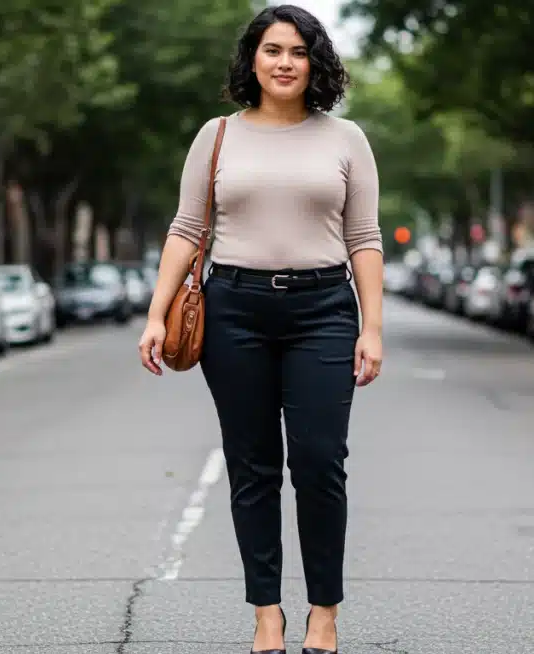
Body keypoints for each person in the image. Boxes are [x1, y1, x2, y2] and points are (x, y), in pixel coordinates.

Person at [137, 5, 384, 653]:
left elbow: (364, 239)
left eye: (298, 52)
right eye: (272, 50)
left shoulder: (346, 139)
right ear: (253, 60)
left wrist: (372, 328)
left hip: (325, 309)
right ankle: (267, 613)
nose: (284, 62)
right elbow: (187, 230)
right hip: (235, 311)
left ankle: (324, 612)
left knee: (320, 462)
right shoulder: (217, 135)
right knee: (252, 469)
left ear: (315, 63)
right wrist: (156, 314)